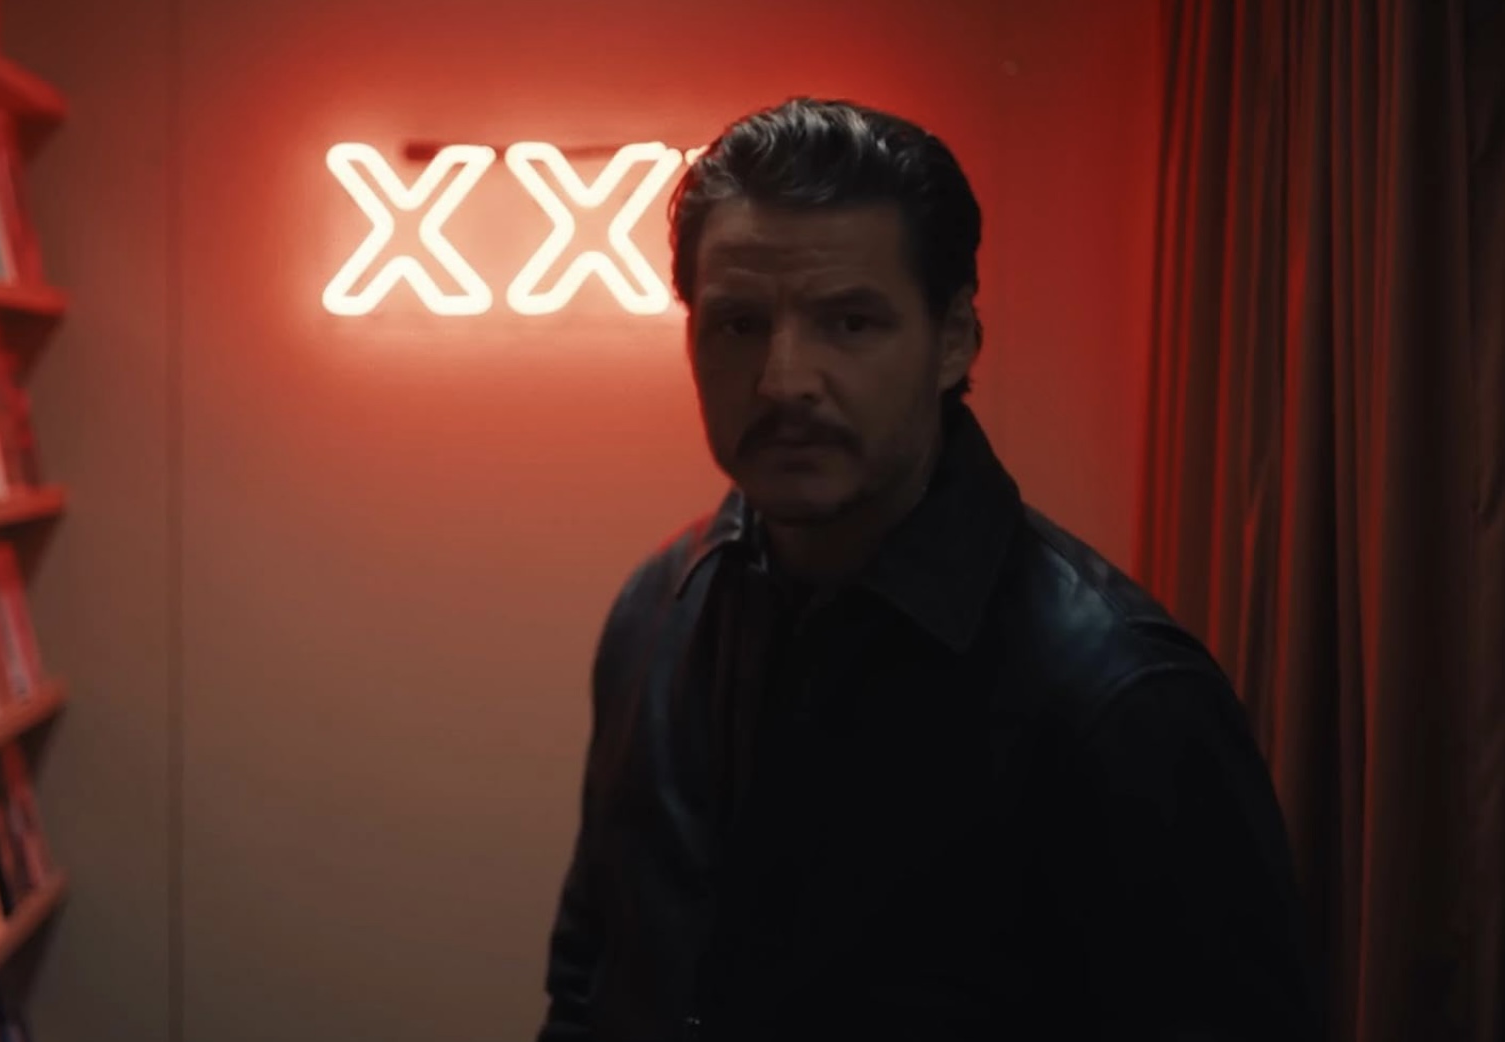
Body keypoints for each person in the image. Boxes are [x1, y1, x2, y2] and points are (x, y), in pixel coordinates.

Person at [535, 98, 1319, 1042]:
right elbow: (591, 978)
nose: (785, 380)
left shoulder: (1120, 697)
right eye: (740, 324)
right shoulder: (657, 610)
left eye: (850, 323)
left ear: (954, 341)